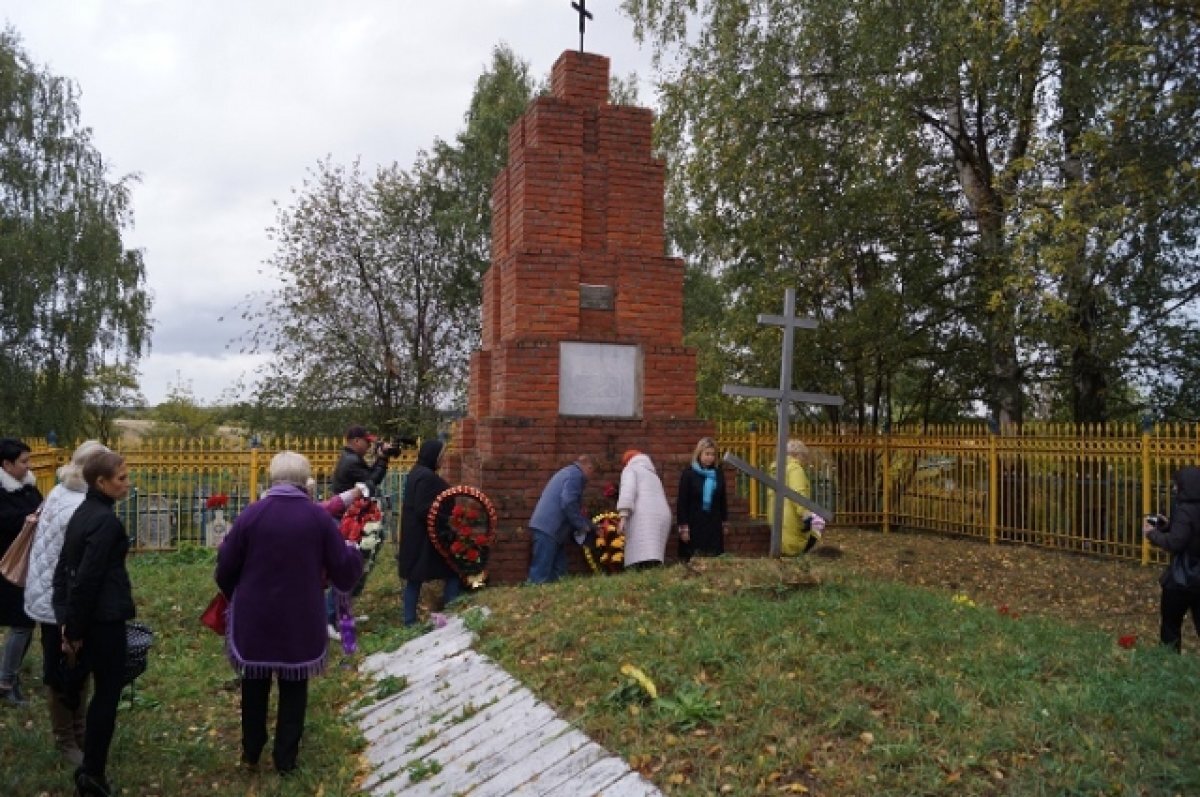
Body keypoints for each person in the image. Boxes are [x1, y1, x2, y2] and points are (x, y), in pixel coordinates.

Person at [215, 451, 363, 774]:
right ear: (304, 479)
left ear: (272, 476)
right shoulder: (318, 517)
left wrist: (234, 594)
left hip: (255, 616)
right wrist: (354, 552)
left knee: (254, 685)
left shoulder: (252, 514)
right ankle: (286, 760)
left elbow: (225, 566)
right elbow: (342, 567)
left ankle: (251, 751)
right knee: (294, 687)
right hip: (301, 615)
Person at [51, 449, 135, 797]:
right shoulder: (104, 521)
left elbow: (64, 572)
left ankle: (92, 770)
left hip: (90, 619)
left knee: (99, 693)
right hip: (103, 621)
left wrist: (67, 621)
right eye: (121, 478)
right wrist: (73, 629)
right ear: (101, 482)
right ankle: (92, 774)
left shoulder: (85, 512)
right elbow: (85, 577)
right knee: (106, 696)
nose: (127, 483)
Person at [25, 441, 109, 763]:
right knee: (63, 668)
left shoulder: (62, 491)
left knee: (75, 664)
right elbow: (81, 568)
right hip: (62, 603)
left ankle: (78, 731)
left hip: (52, 597)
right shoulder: (79, 506)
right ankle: (66, 739)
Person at [398, 439, 462, 625]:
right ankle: (451, 612)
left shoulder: (417, 472)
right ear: (433, 456)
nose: (443, 460)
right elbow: (424, 508)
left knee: (414, 579)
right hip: (425, 539)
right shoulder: (427, 477)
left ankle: (409, 620)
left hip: (415, 536)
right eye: (441, 456)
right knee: (452, 571)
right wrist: (446, 520)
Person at [0, 437, 42, 707]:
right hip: (7, 566)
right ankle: (5, 681)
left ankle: (8, 675)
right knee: (22, 623)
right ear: (6, 464)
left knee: (24, 623)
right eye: (23, 462)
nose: (29, 466)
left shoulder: (27, 487)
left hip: (26, 564)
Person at [1143, 466, 1200, 652]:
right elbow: (1189, 534)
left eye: (1177, 485)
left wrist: (1152, 534)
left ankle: (1169, 665)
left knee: (1170, 626)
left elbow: (1176, 542)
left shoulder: (1185, 510)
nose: (1175, 488)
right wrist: (1168, 525)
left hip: (1182, 578)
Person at [527, 455, 596, 584]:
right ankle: (532, 599)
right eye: (592, 472)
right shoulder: (576, 476)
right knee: (541, 574)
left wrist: (588, 524)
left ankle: (550, 600)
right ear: (589, 467)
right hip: (549, 529)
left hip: (550, 529)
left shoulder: (567, 472)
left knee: (560, 571)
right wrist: (581, 525)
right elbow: (568, 502)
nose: (590, 478)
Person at [617, 450, 672, 570]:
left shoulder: (630, 469)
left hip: (643, 517)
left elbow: (628, 491)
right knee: (654, 557)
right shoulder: (653, 474)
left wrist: (623, 516)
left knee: (639, 557)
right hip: (662, 516)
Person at [676, 437, 729, 560]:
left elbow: (722, 499)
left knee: (713, 558)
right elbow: (682, 502)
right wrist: (683, 528)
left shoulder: (718, 473)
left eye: (713, 454)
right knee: (693, 558)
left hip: (713, 523)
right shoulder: (689, 474)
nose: (710, 458)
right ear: (699, 453)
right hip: (694, 523)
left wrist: (724, 522)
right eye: (707, 454)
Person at [774, 439, 826, 556]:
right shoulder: (795, 469)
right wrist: (806, 517)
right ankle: (800, 553)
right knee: (819, 523)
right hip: (792, 523)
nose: (805, 460)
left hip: (778, 521)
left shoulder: (776, 469)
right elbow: (798, 495)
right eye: (803, 456)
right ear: (796, 454)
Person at [330, 425, 396, 494]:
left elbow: (369, 475)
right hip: (348, 504)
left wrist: (380, 458)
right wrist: (383, 459)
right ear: (357, 441)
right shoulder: (352, 461)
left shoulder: (348, 457)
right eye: (367, 441)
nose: (369, 445)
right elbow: (371, 481)